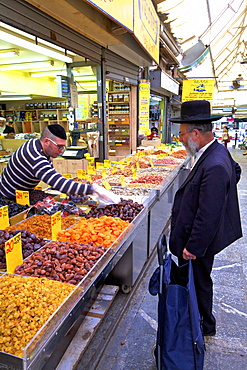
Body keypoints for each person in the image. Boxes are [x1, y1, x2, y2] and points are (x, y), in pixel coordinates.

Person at [169, 100, 242, 336]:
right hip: (198, 237)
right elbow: (237, 171)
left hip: (199, 241)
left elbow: (208, 214)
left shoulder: (215, 164)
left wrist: (194, 246)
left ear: (196, 133)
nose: (179, 139)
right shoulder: (215, 152)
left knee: (199, 282)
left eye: (181, 134)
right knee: (198, 280)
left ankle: (204, 325)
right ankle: (199, 320)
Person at [0, 124, 108, 200]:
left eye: (63, 147)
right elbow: (58, 183)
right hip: (7, 198)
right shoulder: (35, 157)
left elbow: (52, 174)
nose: (62, 151)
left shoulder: (36, 144)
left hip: (21, 195)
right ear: (46, 141)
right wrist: (94, 189)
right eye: (59, 146)